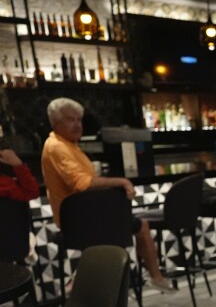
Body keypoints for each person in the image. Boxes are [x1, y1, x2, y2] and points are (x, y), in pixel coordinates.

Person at [41, 98, 173, 291]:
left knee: (132, 227)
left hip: (87, 215)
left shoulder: (69, 145)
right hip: (78, 221)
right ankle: (153, 278)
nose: (77, 124)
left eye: (79, 119)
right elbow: (82, 184)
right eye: (71, 120)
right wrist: (121, 181)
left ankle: (88, 285)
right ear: (55, 123)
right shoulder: (57, 147)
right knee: (136, 227)